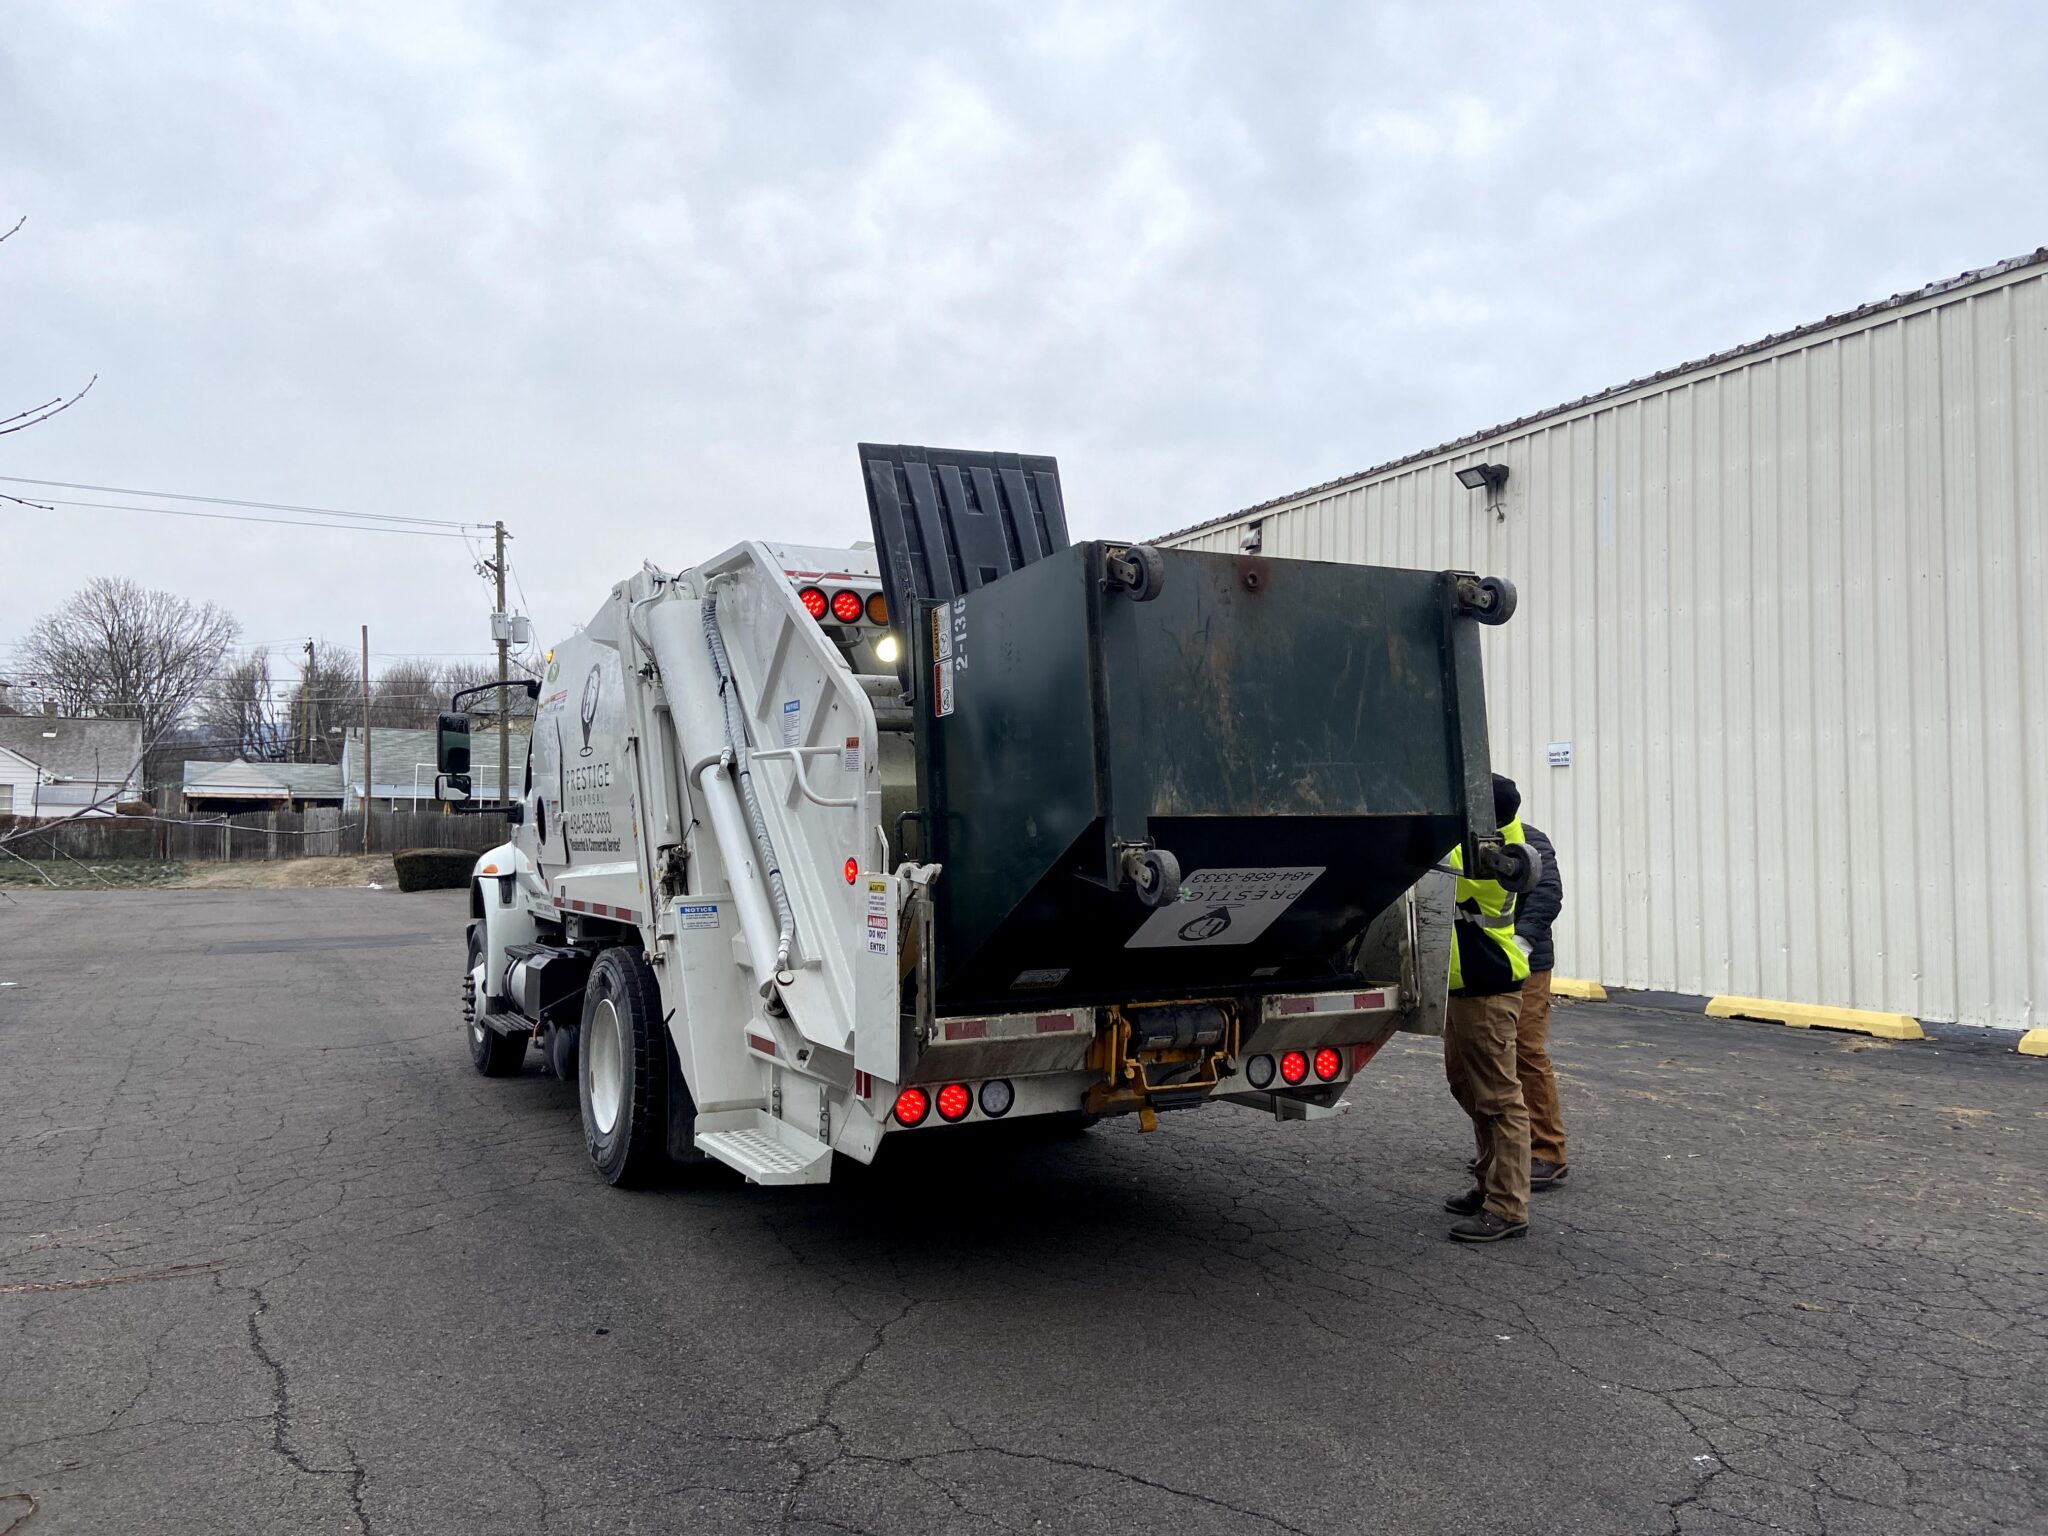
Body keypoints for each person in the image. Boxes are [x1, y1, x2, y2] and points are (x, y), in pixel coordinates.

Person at [1442, 774, 1535, 1243]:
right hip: (1465, 986)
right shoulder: (1492, 839)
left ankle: (1508, 1207)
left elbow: (1432, 859)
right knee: (1469, 1089)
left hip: (1488, 984)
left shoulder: (1490, 851)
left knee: (1499, 1100)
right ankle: (1489, 1183)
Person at [1514, 822, 1570, 1190]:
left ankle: (1548, 1151)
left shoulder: (1529, 839)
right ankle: (1507, 1147)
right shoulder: (1462, 838)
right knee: (1486, 1058)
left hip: (1527, 964)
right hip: (1482, 965)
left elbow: (1548, 894)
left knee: (1525, 1049)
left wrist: (1521, 942)